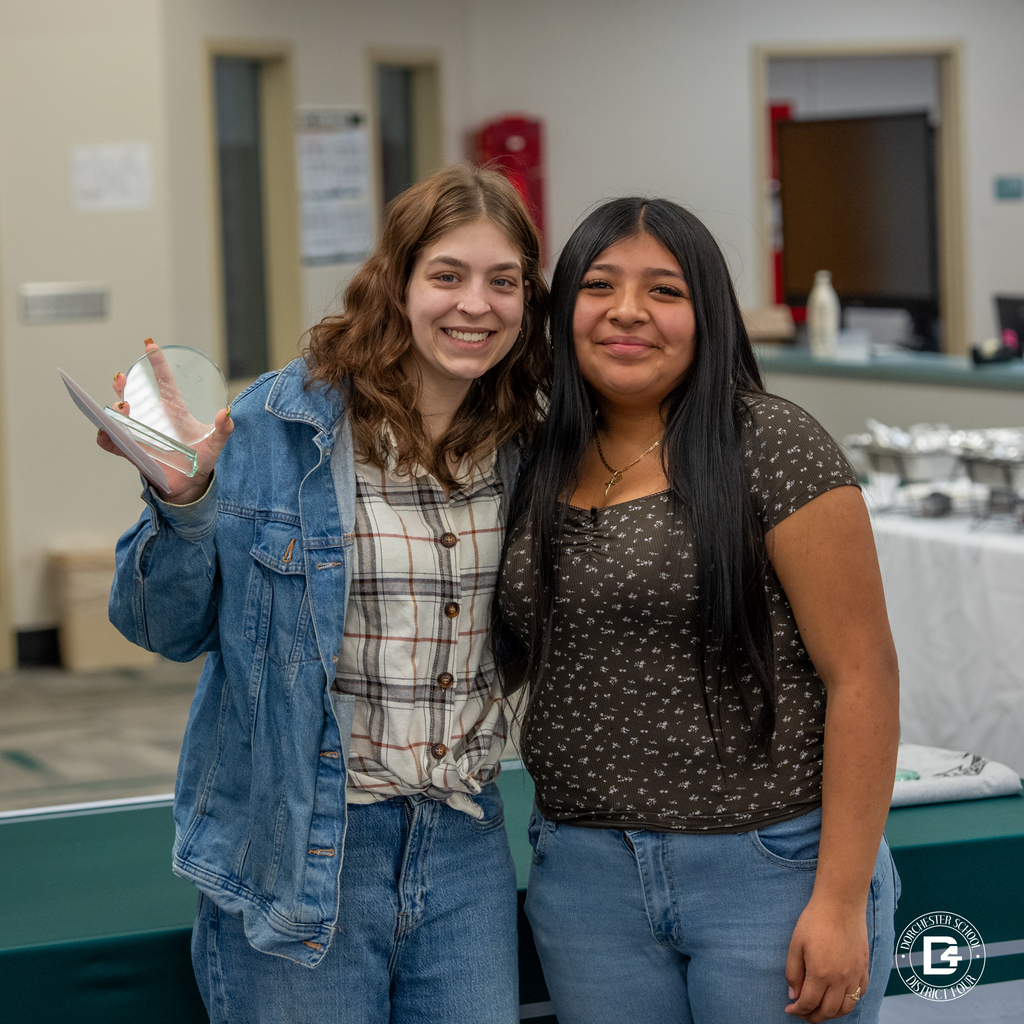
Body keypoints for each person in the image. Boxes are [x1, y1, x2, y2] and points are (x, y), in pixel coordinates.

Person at [100, 164, 549, 1024]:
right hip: (305, 841)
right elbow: (163, 627)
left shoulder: (531, 443)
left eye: (504, 282)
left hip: (465, 840)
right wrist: (182, 503)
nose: (476, 305)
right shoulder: (281, 424)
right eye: (447, 275)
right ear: (397, 281)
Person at [497, 198, 900, 1024]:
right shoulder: (535, 460)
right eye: (600, 285)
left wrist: (839, 901)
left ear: (707, 312)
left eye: (665, 290)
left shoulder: (774, 445)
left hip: (767, 870)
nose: (628, 312)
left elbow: (864, 677)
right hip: (584, 878)